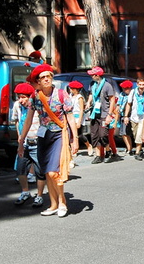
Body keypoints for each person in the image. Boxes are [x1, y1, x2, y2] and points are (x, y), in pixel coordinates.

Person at [17, 64, 79, 217]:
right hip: (43, 137)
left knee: (53, 171)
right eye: (43, 77)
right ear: (38, 81)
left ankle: (62, 201)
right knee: (46, 172)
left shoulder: (61, 95)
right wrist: (21, 140)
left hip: (59, 135)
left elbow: (70, 119)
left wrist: (75, 140)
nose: (46, 79)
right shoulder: (35, 97)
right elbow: (28, 120)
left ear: (52, 78)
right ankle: (53, 204)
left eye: (48, 77)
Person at [12, 83, 46, 207]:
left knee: (39, 171)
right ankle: (25, 192)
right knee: (21, 169)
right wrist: (19, 137)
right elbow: (16, 121)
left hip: (36, 142)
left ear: (29, 97)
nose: (21, 100)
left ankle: (40, 195)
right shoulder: (18, 106)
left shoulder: (37, 107)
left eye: (23, 97)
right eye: (19, 97)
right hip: (24, 142)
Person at [86, 66, 116, 164]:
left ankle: (108, 151)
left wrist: (109, 114)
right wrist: (88, 102)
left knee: (103, 134)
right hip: (95, 113)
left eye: (93, 75)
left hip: (104, 113)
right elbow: (91, 94)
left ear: (97, 75)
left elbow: (112, 100)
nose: (91, 76)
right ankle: (98, 155)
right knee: (95, 135)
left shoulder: (107, 85)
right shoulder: (92, 84)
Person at [124, 78, 144, 161]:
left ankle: (137, 153)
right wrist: (126, 116)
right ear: (137, 85)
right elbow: (129, 104)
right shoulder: (133, 92)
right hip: (134, 117)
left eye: (143, 84)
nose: (141, 86)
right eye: (140, 84)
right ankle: (140, 148)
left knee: (139, 135)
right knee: (135, 134)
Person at [68, 80, 93, 160]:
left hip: (78, 117)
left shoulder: (80, 98)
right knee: (72, 134)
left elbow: (81, 110)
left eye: (72, 88)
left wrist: (79, 121)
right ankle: (74, 149)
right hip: (71, 116)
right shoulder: (70, 96)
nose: (70, 90)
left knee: (80, 135)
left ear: (75, 89)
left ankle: (89, 146)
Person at [116, 80, 134, 154]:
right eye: (123, 88)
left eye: (125, 88)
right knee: (123, 133)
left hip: (130, 116)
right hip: (122, 115)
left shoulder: (132, 95)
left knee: (127, 133)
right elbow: (119, 104)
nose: (124, 90)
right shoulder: (122, 94)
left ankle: (130, 148)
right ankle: (128, 147)